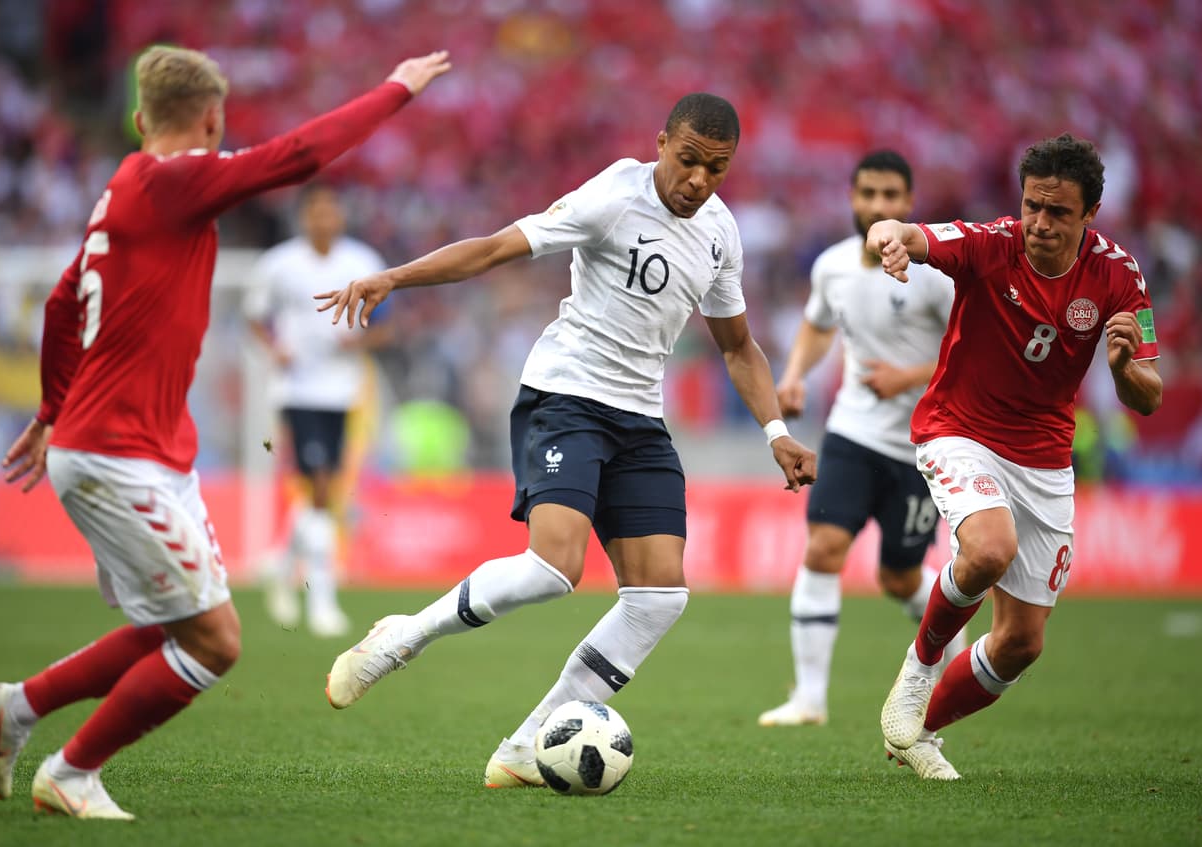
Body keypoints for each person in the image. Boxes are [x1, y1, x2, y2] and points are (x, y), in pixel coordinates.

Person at [0, 45, 450, 820]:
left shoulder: (121, 185)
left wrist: (53, 406)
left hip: (138, 447)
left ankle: (16, 708)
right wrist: (397, 88)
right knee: (215, 641)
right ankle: (72, 770)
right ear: (212, 119)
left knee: (174, 624)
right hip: (115, 453)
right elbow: (299, 155)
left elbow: (63, 303)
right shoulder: (173, 180)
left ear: (136, 120)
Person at [316, 93, 818, 788]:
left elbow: (738, 346)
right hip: (568, 396)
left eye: (718, 169)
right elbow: (496, 248)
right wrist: (395, 277)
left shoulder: (721, 235)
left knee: (660, 597)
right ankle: (403, 636)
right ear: (663, 142)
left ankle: (526, 744)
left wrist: (777, 432)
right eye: (689, 160)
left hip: (640, 421)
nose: (699, 180)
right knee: (554, 568)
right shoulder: (614, 194)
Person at [871, 133, 1162, 780]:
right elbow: (907, 232)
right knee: (987, 549)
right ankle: (919, 668)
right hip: (959, 429)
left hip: (1045, 457)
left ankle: (917, 735)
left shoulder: (1122, 276)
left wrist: (1121, 369)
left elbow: (1150, 392)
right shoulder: (992, 242)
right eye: (1032, 205)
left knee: (1022, 642)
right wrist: (888, 240)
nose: (1039, 223)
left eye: (1058, 212)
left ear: (1090, 217)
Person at [757, 151, 964, 729]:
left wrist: (908, 376)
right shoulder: (832, 267)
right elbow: (818, 323)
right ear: (852, 198)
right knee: (823, 548)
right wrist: (795, 374)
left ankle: (956, 659)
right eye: (868, 194)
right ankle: (809, 699)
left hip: (922, 447)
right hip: (851, 433)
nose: (878, 206)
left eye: (891, 196)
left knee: (898, 577)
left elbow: (970, 349)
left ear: (909, 203)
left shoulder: (936, 275)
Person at [246, 183, 394, 638]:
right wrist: (276, 350)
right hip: (296, 390)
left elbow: (386, 329)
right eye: (315, 211)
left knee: (321, 488)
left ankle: (280, 561)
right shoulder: (278, 265)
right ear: (303, 217)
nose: (323, 219)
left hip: (344, 391)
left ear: (341, 217)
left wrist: (359, 341)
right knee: (323, 486)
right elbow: (255, 316)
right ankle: (322, 602)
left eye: (331, 210)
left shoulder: (364, 263)